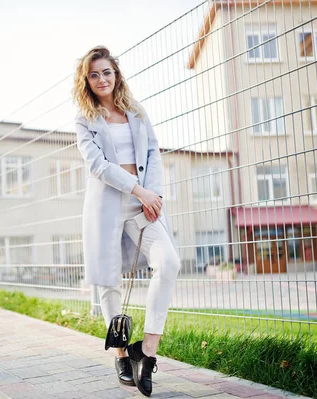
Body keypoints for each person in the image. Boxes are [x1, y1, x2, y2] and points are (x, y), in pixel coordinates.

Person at [72, 45, 181, 397]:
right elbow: (98, 167)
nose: (101, 79)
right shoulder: (84, 119)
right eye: (94, 74)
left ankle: (146, 353)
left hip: (143, 203)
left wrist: (155, 195)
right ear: (86, 81)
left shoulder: (135, 111)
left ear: (116, 74)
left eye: (107, 72)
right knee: (108, 280)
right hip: (107, 204)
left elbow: (153, 152)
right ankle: (120, 355)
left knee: (169, 263)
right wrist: (139, 190)